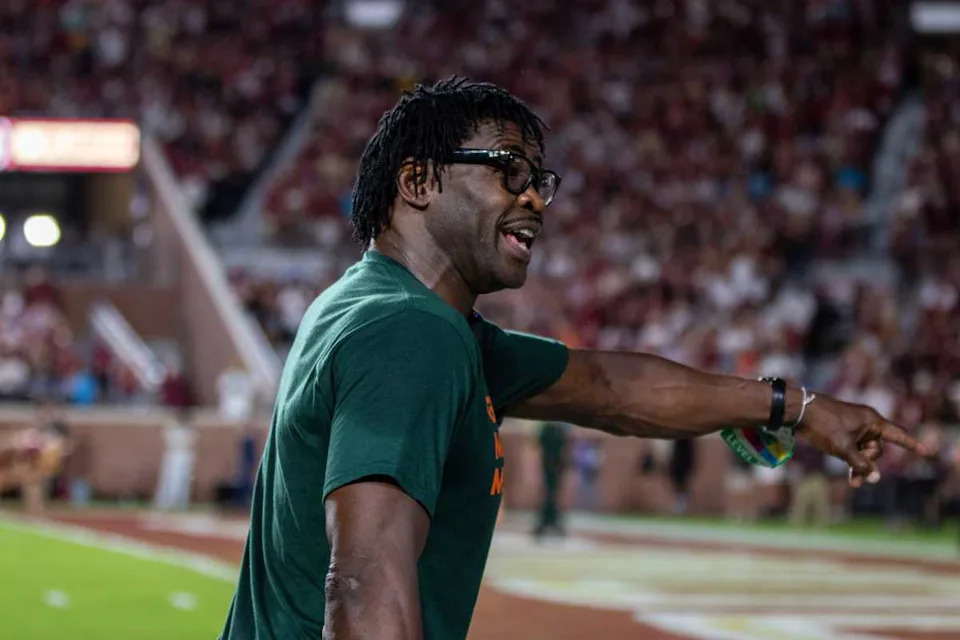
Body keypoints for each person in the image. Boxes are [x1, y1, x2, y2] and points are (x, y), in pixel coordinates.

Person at [220, 78, 934, 640]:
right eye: (507, 171)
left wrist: (796, 408)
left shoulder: (380, 309)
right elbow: (362, 582)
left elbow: (610, 387)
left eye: (539, 179)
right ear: (419, 183)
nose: (535, 197)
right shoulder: (411, 333)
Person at [533, 421, 569, 539]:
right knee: (550, 494)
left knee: (552, 494)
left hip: (554, 467)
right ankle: (548, 522)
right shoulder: (552, 431)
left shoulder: (557, 431)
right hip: (550, 467)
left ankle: (549, 521)